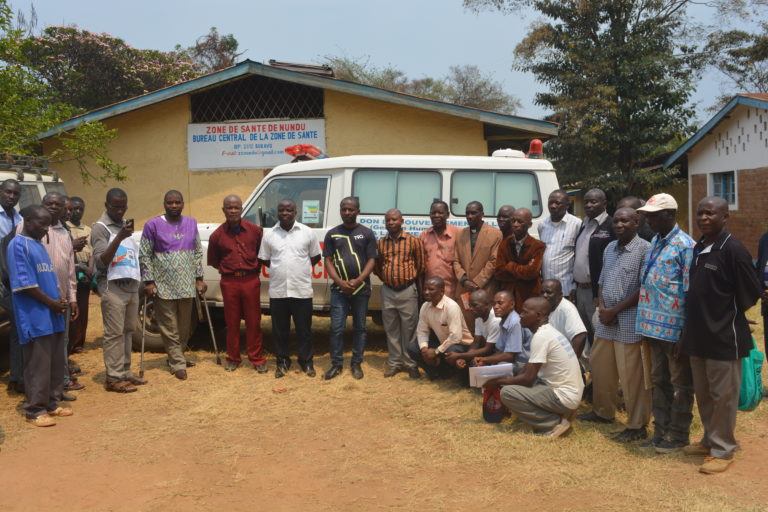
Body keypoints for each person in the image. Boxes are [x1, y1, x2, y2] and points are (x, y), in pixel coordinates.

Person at [681, 196, 761, 474]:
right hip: (697, 336)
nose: (703, 218)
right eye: (700, 213)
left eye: (710, 214)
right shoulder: (700, 247)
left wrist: (727, 313)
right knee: (704, 394)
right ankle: (709, 440)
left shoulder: (733, 249)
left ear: (725, 217)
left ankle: (723, 450)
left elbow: (750, 293)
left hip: (724, 336)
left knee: (723, 396)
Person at [578, 208, 652, 443]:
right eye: (617, 220)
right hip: (605, 320)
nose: (619, 224)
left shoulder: (644, 250)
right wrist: (602, 307)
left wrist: (615, 310)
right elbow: (601, 281)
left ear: (636, 223)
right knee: (601, 369)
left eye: (625, 220)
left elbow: (643, 288)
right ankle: (603, 412)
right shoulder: (610, 248)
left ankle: (636, 425)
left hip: (628, 321)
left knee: (631, 377)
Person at [635, 193, 695, 453]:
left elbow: (691, 292)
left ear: (669, 214)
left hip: (675, 330)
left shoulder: (685, 246)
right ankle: (660, 432)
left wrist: (686, 333)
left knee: (681, 385)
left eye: (652, 215)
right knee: (659, 381)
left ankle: (678, 436)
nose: (647, 220)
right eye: (646, 215)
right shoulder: (655, 242)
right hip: (651, 328)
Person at [8, 205, 72, 426]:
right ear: (26, 220)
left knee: (54, 362)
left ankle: (52, 403)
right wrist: (51, 303)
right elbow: (25, 285)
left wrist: (59, 301)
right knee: (38, 364)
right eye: (41, 224)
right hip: (35, 316)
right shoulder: (18, 244)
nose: (45, 229)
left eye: (48, 224)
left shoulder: (38, 244)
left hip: (52, 313)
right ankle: (34, 409)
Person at [483, 297, 584, 439]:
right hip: (568, 393)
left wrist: (497, 383)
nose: (520, 316)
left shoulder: (542, 336)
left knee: (507, 393)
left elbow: (528, 379)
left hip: (564, 396)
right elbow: (528, 370)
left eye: (525, 312)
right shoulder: (547, 331)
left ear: (538, 316)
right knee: (514, 371)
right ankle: (560, 413)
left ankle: (554, 422)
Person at [18, 192, 81, 394]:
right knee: (41, 347)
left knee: (60, 344)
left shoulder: (64, 232)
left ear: (64, 208)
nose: (53, 207)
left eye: (58, 204)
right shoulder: (27, 230)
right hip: (39, 300)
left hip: (61, 298)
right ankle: (39, 393)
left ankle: (60, 386)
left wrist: (72, 298)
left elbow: (70, 267)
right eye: (49, 203)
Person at [139, 190, 207, 381]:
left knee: (184, 327)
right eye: (170, 203)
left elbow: (197, 252)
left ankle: (177, 357)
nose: (174, 206)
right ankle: (177, 363)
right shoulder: (152, 225)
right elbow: (144, 255)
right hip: (163, 285)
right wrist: (149, 281)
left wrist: (199, 278)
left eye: (178, 202)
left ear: (183, 204)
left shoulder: (191, 223)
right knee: (169, 327)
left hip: (186, 284)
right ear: (164, 204)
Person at [259, 199, 322, 378]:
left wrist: (298, 268)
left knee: (305, 330)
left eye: (289, 210)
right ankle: (282, 362)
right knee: (280, 331)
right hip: (278, 291)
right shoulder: (270, 234)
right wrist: (280, 268)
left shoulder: (307, 232)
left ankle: (306, 362)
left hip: (301, 290)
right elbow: (264, 258)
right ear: (277, 212)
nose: (285, 213)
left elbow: (315, 257)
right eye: (281, 210)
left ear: (296, 212)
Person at [91, 188, 145, 392]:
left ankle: (124, 371)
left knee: (128, 331)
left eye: (124, 207)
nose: (120, 211)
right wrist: (119, 238)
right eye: (116, 207)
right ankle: (113, 378)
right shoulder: (100, 227)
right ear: (107, 206)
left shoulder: (124, 226)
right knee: (114, 333)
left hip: (130, 286)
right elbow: (101, 261)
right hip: (112, 287)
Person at [208, 195, 266, 373]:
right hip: (229, 281)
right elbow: (215, 260)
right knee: (231, 322)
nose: (233, 211)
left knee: (253, 321)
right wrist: (230, 270)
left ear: (242, 209)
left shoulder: (255, 231)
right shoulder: (216, 235)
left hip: (250, 280)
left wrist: (251, 271)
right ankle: (233, 358)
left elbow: (261, 255)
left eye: (236, 207)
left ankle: (256, 358)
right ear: (223, 210)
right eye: (229, 208)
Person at [322, 197, 378, 380]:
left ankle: (356, 363)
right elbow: (328, 260)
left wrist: (359, 280)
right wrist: (339, 282)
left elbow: (372, 260)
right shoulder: (332, 234)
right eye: (344, 209)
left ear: (358, 211)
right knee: (336, 328)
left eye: (351, 209)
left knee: (360, 328)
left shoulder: (367, 233)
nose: (347, 212)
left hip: (360, 289)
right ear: (340, 211)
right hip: (339, 291)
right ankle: (336, 364)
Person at [374, 208, 425, 379]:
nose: (391, 223)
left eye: (394, 220)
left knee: (409, 329)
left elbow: (421, 265)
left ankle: (410, 363)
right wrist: (388, 279)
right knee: (391, 329)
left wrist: (407, 281)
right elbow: (378, 266)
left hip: (407, 291)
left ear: (402, 221)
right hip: (388, 291)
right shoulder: (381, 243)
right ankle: (395, 363)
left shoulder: (413, 241)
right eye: (388, 220)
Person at [572, 188, 614, 370]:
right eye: (587, 201)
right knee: (587, 335)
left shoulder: (611, 226)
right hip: (580, 290)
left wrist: (600, 294)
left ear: (604, 204)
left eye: (594, 202)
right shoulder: (584, 224)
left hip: (596, 293)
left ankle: (604, 378)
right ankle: (592, 377)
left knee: (599, 337)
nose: (589, 205)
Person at [407, 276, 473, 380]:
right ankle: (436, 374)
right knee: (412, 348)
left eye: (431, 289)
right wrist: (425, 351)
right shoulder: (425, 306)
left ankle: (450, 373)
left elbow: (456, 337)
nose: (426, 292)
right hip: (443, 344)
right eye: (425, 289)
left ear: (442, 291)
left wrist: (436, 352)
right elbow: (422, 331)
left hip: (462, 345)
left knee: (451, 350)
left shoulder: (451, 307)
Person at [453, 201, 502, 330]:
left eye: (473, 213)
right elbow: (456, 260)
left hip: (484, 288)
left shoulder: (495, 234)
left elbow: (493, 261)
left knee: (486, 324)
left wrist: (476, 283)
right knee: (466, 322)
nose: (469, 216)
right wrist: (464, 280)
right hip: (464, 288)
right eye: (467, 213)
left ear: (482, 214)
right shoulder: (460, 234)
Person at [494, 207, 545, 312]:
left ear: (529, 225)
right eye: (513, 221)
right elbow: (499, 272)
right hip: (508, 296)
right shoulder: (504, 244)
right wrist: (523, 271)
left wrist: (510, 265)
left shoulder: (537, 245)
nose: (515, 224)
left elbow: (532, 272)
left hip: (529, 295)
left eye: (520, 222)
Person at [0, 179, 24, 394]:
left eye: (16, 194)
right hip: (2, 278)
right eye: (8, 192)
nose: (11, 196)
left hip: (14, 280)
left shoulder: (19, 218)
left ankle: (17, 376)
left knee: (18, 327)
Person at [444, 289, 500, 372]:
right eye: (470, 305)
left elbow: (488, 349)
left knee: (473, 361)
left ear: (487, 305)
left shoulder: (495, 320)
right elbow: (476, 342)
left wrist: (461, 356)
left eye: (475, 305)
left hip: (497, 354)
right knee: (452, 349)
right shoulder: (479, 316)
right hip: (486, 349)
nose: (471, 309)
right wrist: (465, 358)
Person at [473, 290, 529, 372]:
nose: (495, 307)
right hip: (510, 359)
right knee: (484, 366)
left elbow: (510, 356)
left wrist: (485, 360)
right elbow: (501, 350)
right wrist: (485, 360)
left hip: (522, 364)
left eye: (500, 303)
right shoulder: (503, 321)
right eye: (494, 303)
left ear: (512, 304)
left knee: (496, 369)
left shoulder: (515, 323)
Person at [538, 189, 581, 296]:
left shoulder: (576, 224)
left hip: (566, 288)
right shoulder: (542, 225)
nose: (553, 206)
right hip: (546, 289)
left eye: (557, 203)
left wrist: (575, 286)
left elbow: (580, 255)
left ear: (567, 205)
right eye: (550, 203)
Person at [67, 196, 92, 354]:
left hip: (85, 274)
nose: (77, 212)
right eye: (73, 208)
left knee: (83, 309)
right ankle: (70, 342)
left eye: (80, 209)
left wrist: (90, 270)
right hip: (71, 272)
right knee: (71, 308)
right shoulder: (65, 227)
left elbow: (93, 252)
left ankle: (79, 342)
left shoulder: (88, 230)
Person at [420, 201, 461, 299]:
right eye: (433, 213)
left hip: (451, 290)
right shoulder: (424, 235)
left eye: (440, 213)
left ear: (447, 215)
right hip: (430, 291)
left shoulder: (458, 234)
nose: (436, 215)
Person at [541, 279, 587, 358]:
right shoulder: (545, 307)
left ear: (560, 295)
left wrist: (571, 362)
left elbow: (580, 336)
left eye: (549, 292)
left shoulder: (567, 308)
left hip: (566, 362)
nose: (544, 295)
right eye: (542, 292)